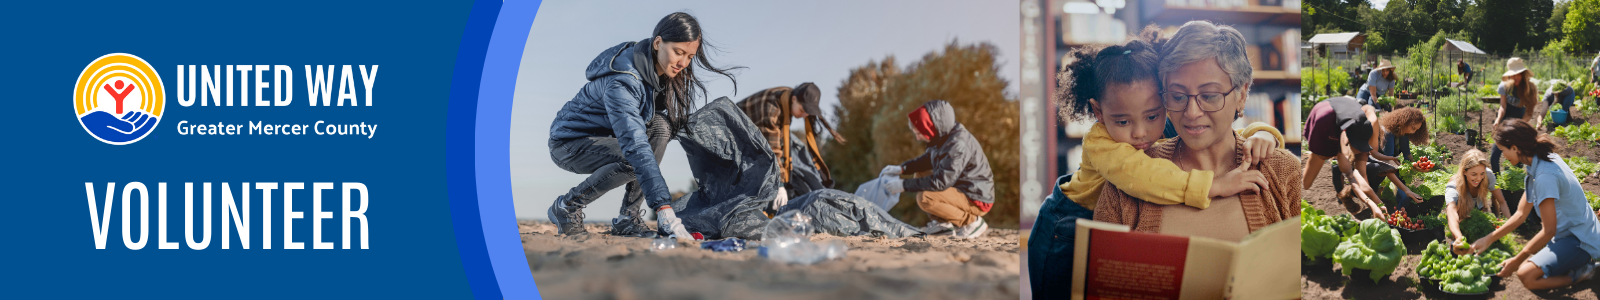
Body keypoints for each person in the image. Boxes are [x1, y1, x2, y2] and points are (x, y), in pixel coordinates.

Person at [1026, 28, 1282, 298]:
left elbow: (1219, 133)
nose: (1140, 133)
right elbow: (1146, 178)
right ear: (1099, 111)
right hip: (1064, 228)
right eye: (1123, 121)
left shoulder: (1160, 121)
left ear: (1164, 101)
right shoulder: (1100, 143)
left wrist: (1263, 133)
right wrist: (1214, 186)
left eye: (1152, 116)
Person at [1093, 20, 1301, 242]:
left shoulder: (1283, 171)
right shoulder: (1129, 180)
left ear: (1241, 95)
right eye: (1178, 96)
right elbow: (1101, 270)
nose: (1191, 113)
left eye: (1209, 96)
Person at [546, 12, 742, 239]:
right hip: (569, 143)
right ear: (658, 42)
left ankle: (628, 218)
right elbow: (635, 144)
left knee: (661, 126)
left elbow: (654, 130)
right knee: (634, 157)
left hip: (608, 138)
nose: (683, 63)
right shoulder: (624, 82)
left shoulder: (657, 77)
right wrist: (663, 207)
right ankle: (567, 206)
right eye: (678, 52)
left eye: (689, 56)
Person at [1469, 120, 1600, 289]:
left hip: (1579, 239)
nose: (1503, 156)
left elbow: (1548, 230)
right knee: (1534, 264)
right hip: (1569, 234)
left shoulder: (1545, 176)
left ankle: (1584, 274)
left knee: (1526, 275)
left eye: (1503, 150)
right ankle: (1570, 265)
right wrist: (1488, 239)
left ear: (1515, 148)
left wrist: (1516, 261)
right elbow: (1521, 214)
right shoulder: (1541, 161)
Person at [878, 100, 994, 239]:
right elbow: (928, 160)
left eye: (919, 133)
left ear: (930, 127)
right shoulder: (942, 136)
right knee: (919, 173)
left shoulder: (957, 144)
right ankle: (943, 224)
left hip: (976, 197)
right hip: (962, 188)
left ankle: (972, 222)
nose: (918, 137)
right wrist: (902, 169)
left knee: (925, 198)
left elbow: (941, 182)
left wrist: (903, 185)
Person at [736, 82, 844, 202]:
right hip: (736, 136)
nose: (805, 115)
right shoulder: (772, 109)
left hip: (756, 135)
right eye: (803, 110)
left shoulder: (787, 96)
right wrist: (780, 186)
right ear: (794, 99)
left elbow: (780, 142)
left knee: (795, 149)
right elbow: (772, 151)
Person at [1303, 96, 1389, 218]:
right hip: (1324, 119)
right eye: (1357, 146)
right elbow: (1351, 177)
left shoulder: (1365, 125)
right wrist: (1372, 203)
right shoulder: (1339, 139)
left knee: (1346, 162)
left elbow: (1361, 179)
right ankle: (1318, 153)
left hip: (1342, 109)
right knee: (1307, 182)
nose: (1360, 150)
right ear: (1348, 141)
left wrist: (1377, 204)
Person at [1358, 107, 1430, 212]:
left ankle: (1399, 212)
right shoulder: (1388, 133)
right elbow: (1389, 166)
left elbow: (1407, 155)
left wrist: (1416, 165)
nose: (1413, 132)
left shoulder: (1404, 133)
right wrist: (1406, 190)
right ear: (1405, 122)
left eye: (1416, 130)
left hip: (1389, 165)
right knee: (1376, 190)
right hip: (1377, 167)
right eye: (1413, 128)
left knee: (1404, 194)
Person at [1444, 150, 1512, 247]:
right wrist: (1459, 238)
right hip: (1461, 220)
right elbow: (1451, 211)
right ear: (1464, 172)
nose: (1479, 178)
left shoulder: (1488, 175)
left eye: (1482, 173)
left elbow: (1502, 202)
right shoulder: (1453, 186)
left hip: (1479, 214)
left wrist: (1509, 226)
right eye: (1474, 174)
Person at [1492, 57, 1537, 174]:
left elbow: (1529, 112)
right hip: (1505, 118)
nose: (1515, 77)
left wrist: (1519, 126)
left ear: (1523, 74)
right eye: (1513, 75)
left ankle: (1516, 180)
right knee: (1494, 155)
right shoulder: (1505, 86)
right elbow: (1503, 106)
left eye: (1518, 74)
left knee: (1519, 154)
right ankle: (1497, 182)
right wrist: (1498, 119)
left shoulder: (1530, 89)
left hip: (1520, 119)